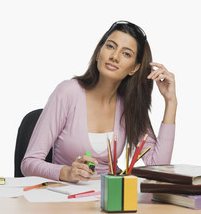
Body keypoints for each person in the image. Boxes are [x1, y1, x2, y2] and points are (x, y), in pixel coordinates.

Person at [21, 20, 177, 183]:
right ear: (98, 53)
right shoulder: (68, 92)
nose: (114, 57)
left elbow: (159, 167)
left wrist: (170, 101)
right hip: (66, 198)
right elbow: (29, 163)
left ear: (134, 68)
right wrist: (66, 172)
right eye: (110, 46)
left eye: (126, 54)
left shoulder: (130, 105)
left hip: (110, 198)